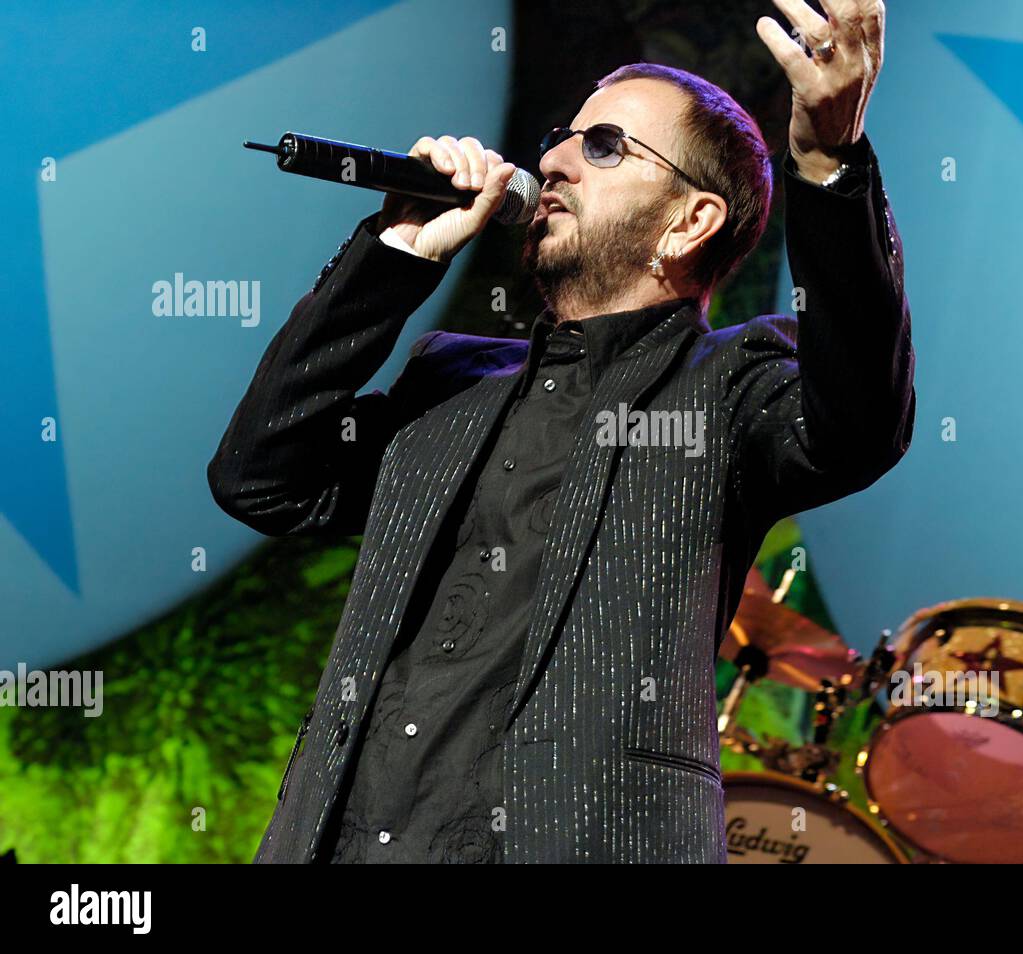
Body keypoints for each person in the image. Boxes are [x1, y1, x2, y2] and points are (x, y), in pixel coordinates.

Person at [208, 0, 912, 863]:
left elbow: (862, 421)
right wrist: (394, 253)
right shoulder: (450, 382)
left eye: (604, 145)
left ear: (691, 221)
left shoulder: (731, 391)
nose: (552, 162)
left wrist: (829, 160)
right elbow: (260, 476)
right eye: (562, 137)